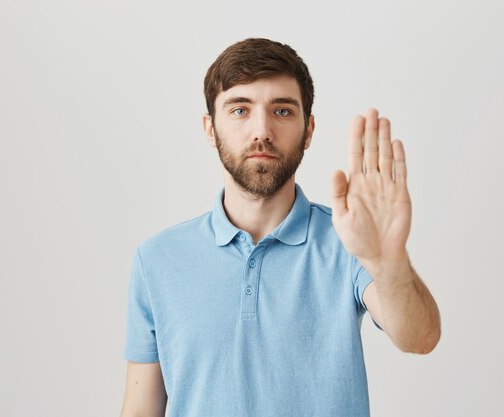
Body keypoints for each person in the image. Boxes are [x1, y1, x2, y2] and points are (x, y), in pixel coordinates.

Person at [119, 37, 441, 417]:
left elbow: (420, 338)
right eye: (240, 110)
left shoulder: (349, 240)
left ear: (308, 130)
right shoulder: (157, 259)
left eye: (283, 111)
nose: (262, 131)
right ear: (210, 128)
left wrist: (389, 261)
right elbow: (141, 410)